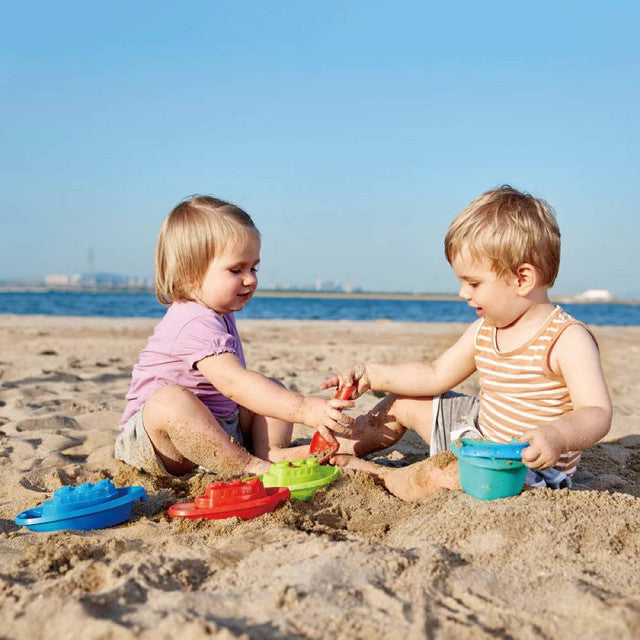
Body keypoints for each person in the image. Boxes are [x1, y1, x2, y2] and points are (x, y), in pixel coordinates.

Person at [322, 186, 612, 501]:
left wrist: (556, 435)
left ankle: (384, 476)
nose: (463, 293)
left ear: (522, 279)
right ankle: (340, 448)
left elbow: (596, 412)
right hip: (478, 435)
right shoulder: (483, 330)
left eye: (473, 283)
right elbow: (434, 374)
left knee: (448, 474)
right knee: (404, 401)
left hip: (526, 466)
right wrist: (373, 374)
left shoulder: (567, 339)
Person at [116, 195, 354, 477]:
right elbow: (233, 383)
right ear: (190, 274)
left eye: (253, 268)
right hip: (160, 443)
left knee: (269, 385)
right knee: (170, 400)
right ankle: (247, 465)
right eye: (236, 269)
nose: (250, 279)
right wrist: (303, 409)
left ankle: (269, 453)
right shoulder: (192, 320)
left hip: (217, 429)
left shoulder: (218, 312)